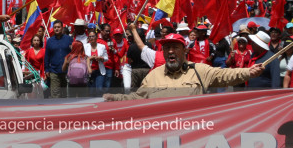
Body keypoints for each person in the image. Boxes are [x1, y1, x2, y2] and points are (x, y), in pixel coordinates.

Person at [105, 33, 265, 101]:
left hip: (194, 135)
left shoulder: (199, 70)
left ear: (185, 50)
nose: (171, 51)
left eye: (175, 47)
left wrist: (249, 72)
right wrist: (115, 98)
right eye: (167, 48)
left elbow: (225, 75)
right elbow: (137, 98)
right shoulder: (153, 76)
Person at [44, 20, 73, 98]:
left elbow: (73, 53)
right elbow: (47, 56)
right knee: (55, 94)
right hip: (54, 71)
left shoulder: (69, 39)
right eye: (55, 27)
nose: (56, 29)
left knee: (66, 94)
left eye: (58, 27)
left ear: (62, 28)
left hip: (67, 71)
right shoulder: (50, 41)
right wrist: (46, 69)